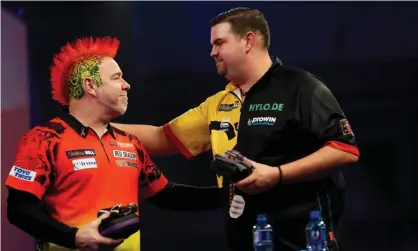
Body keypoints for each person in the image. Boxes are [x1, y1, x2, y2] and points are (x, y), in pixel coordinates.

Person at [112, 7, 360, 251]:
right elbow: (161, 138)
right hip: (246, 237)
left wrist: (277, 174)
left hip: (303, 237)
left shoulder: (300, 86)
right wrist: (96, 127)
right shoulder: (219, 102)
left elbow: (344, 149)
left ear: (248, 41)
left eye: (219, 43)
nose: (212, 52)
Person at [4, 37, 224, 251]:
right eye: (117, 77)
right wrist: (75, 238)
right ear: (90, 86)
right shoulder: (44, 139)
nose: (126, 85)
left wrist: (231, 193)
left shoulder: (129, 142)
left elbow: (167, 195)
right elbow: (19, 209)